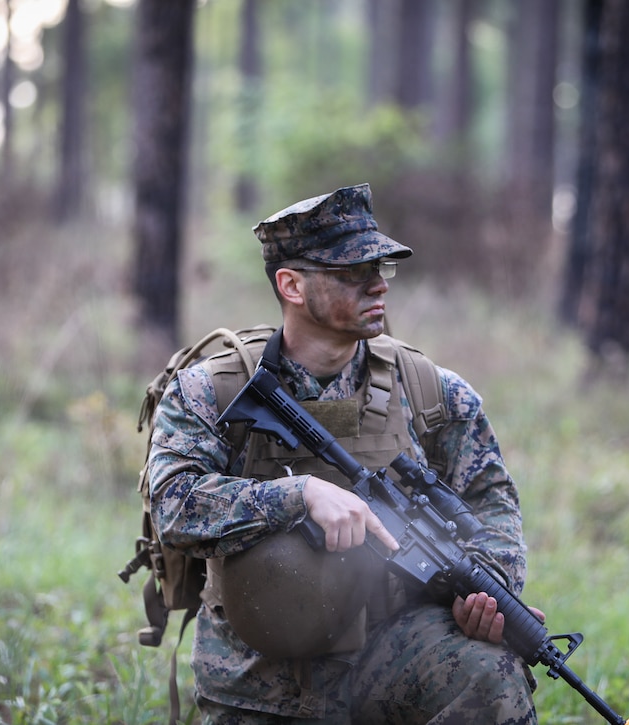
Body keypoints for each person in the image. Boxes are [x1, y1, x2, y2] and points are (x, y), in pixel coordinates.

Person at [147, 183, 541, 723]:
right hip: (255, 676)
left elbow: (490, 500)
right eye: (352, 273)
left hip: (391, 651)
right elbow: (174, 507)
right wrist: (299, 493)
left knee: (488, 672)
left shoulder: (431, 391)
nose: (378, 284)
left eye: (381, 268)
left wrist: (489, 588)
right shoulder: (209, 392)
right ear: (290, 284)